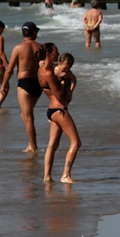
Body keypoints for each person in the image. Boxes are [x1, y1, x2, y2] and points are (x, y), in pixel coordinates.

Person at [38, 43, 81, 183]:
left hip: (52, 111)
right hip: (59, 110)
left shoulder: (42, 68)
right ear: (49, 54)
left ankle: (47, 177)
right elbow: (59, 96)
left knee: (52, 145)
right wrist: (64, 84)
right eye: (56, 51)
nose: (58, 53)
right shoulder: (49, 73)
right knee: (76, 142)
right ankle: (66, 175)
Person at [1, 22, 44, 153]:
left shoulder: (18, 48)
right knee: (24, 114)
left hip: (24, 83)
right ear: (33, 33)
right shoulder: (40, 47)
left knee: (28, 117)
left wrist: (4, 84)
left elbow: (9, 69)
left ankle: (33, 147)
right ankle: (31, 143)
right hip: (38, 83)